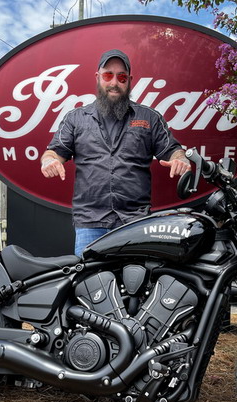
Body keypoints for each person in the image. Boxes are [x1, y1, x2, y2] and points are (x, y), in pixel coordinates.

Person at [40, 49, 190, 256]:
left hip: (135, 222)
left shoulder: (149, 117)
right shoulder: (76, 118)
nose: (114, 83)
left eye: (121, 77)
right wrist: (49, 161)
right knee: (88, 284)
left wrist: (180, 159)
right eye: (108, 75)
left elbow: (173, 150)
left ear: (129, 81)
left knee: (135, 282)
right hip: (90, 223)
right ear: (98, 77)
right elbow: (54, 152)